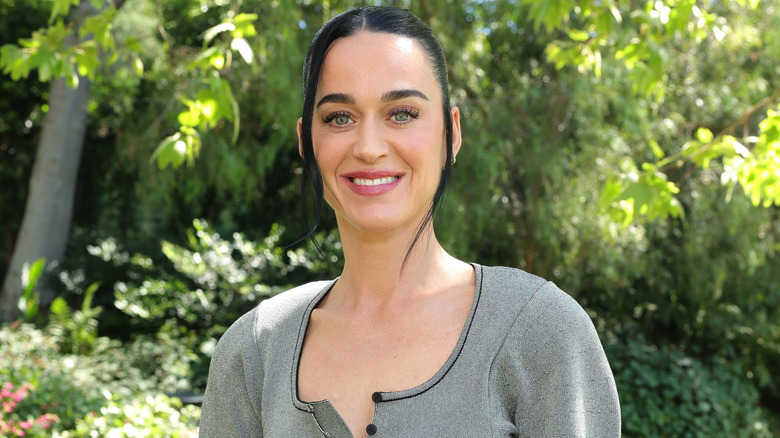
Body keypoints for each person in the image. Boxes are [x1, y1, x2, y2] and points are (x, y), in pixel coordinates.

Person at [200, 6, 620, 437]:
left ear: (450, 134)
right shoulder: (253, 350)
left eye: (402, 113)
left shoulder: (540, 330)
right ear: (306, 141)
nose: (368, 147)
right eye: (339, 117)